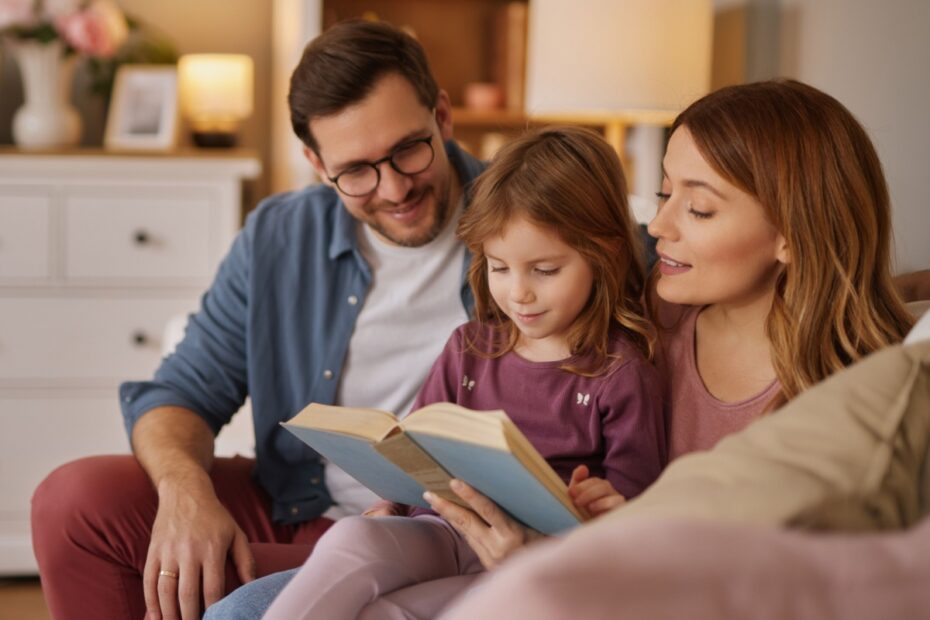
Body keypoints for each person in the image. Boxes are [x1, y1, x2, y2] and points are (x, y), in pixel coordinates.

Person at [30, 20, 488, 620]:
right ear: (315, 162)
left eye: (409, 149)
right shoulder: (281, 234)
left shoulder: (531, 223)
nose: (395, 188)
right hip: (301, 508)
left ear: (443, 117)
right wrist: (184, 492)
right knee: (73, 502)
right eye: (355, 171)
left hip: (442, 539)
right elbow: (181, 392)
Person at [219, 126, 666, 619]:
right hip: (444, 529)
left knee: (383, 614)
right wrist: (391, 503)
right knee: (353, 536)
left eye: (544, 270)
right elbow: (412, 452)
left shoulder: (620, 373)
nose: (518, 293)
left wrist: (604, 509)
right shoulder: (469, 348)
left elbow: (635, 519)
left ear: (605, 254)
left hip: (534, 562)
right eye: (499, 267)